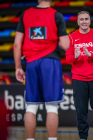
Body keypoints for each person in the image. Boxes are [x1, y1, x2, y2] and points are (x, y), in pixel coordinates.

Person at [13, 0, 70, 140]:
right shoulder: (57, 15)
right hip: (50, 63)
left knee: (31, 107)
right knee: (52, 107)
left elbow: (16, 44)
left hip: (31, 63)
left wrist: (18, 67)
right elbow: (65, 44)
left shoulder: (25, 14)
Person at [66, 11, 93, 140]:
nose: (84, 21)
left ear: (89, 21)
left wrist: (91, 55)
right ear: (78, 22)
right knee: (81, 109)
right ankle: (83, 137)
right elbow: (68, 59)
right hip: (79, 78)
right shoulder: (71, 37)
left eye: (86, 19)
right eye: (81, 19)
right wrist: (76, 56)